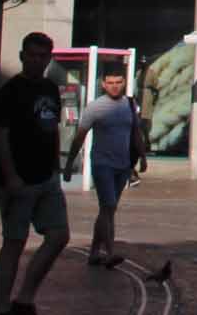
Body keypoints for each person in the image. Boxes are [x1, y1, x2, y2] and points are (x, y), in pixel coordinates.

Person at [0, 32, 69, 315]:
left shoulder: (50, 88)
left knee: (59, 235)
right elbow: (0, 134)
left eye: (42, 56)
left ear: (49, 58)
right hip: (17, 178)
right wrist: (11, 176)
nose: (37, 60)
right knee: (14, 242)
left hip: (46, 176)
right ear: (22, 56)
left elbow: (53, 127)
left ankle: (24, 298)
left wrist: (57, 166)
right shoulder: (10, 91)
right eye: (32, 55)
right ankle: (2, 308)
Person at [62, 63, 144, 271]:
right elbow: (79, 136)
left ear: (124, 82)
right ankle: (109, 253)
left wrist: (142, 157)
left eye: (118, 82)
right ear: (103, 84)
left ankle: (93, 253)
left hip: (123, 165)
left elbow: (136, 133)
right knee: (108, 207)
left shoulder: (130, 104)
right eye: (110, 83)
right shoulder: (95, 107)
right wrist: (69, 163)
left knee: (108, 210)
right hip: (102, 164)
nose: (115, 86)